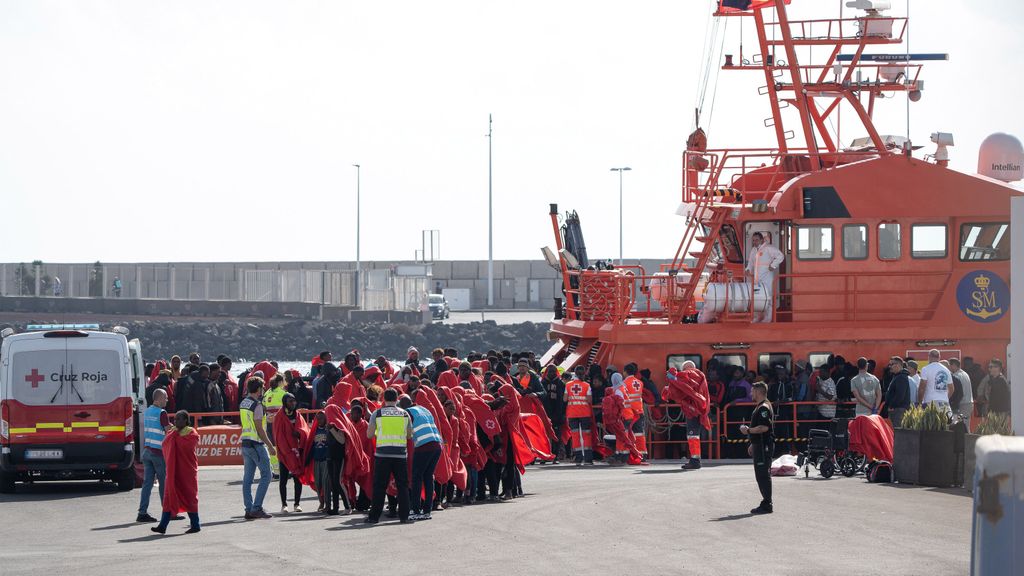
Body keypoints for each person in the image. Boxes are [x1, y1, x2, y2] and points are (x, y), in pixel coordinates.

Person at [365, 387, 414, 524]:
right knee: (403, 486)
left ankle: (374, 517)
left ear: (384, 399)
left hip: (382, 455)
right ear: (397, 398)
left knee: (379, 487)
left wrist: (378, 434)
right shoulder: (405, 414)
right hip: (400, 455)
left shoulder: (377, 413)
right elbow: (410, 435)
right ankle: (404, 516)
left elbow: (369, 434)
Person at [150, 410, 201, 534]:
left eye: (178, 419)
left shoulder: (191, 433)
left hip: (187, 471)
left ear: (185, 421)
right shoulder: (172, 433)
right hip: (173, 471)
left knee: (189, 497)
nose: (175, 421)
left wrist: (175, 436)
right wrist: (174, 435)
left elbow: (187, 447)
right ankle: (162, 526)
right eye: (175, 419)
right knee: (169, 496)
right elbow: (165, 444)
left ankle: (195, 524)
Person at [400, 395, 442, 520]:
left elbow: (405, 433)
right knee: (428, 477)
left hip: (423, 446)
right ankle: (427, 511)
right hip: (436, 445)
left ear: (402, 406)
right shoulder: (424, 409)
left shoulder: (407, 413)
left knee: (416, 478)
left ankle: (415, 510)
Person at [239, 377, 276, 520]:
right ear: (259, 389)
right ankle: (257, 507)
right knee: (267, 475)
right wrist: (270, 445)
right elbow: (260, 429)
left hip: (246, 443)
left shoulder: (244, 402)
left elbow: (250, 421)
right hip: (256, 444)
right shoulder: (257, 405)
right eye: (263, 387)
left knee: (247, 478)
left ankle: (249, 508)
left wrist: (265, 418)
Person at [663, 362, 711, 470]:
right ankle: (695, 459)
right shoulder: (701, 375)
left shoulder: (689, 374)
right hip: (699, 409)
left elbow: (683, 387)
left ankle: (695, 460)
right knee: (695, 434)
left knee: (692, 434)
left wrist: (672, 378)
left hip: (692, 409)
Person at [137, 389, 173, 523]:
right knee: (164, 483)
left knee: (147, 484)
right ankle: (168, 512)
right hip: (158, 452)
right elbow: (167, 430)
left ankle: (142, 512)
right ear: (158, 399)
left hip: (147, 451)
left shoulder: (147, 411)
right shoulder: (162, 413)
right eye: (165, 398)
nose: (167, 400)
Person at [739, 382, 774, 515]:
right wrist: (753, 444)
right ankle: (766, 502)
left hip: (764, 445)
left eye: (752, 391)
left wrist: (748, 430)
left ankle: (767, 503)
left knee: (763, 475)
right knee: (760, 475)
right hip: (759, 444)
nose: (750, 393)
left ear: (758, 392)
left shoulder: (764, 408)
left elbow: (764, 428)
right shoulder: (760, 406)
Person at [272, 393, 310, 513]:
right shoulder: (279, 416)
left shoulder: (298, 415)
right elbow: (278, 436)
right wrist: (287, 452)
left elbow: (305, 430)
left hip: (297, 452)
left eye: (294, 401)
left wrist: (299, 433)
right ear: (284, 403)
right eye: (290, 401)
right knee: (283, 479)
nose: (292, 403)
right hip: (285, 453)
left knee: (297, 478)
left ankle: (297, 504)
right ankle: (284, 504)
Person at [744, 231, 784, 322]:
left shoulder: (769, 248)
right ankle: (758, 317)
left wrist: (773, 265)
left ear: (762, 240)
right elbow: (750, 262)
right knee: (758, 298)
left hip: (767, 279)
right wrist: (748, 269)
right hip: (757, 279)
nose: (754, 242)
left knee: (768, 298)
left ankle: (768, 319)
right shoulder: (754, 250)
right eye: (753, 240)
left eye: (756, 240)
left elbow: (780, 256)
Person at [564, 367, 594, 466]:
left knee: (575, 435)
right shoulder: (587, 385)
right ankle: (588, 459)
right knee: (586, 435)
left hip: (572, 413)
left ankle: (578, 458)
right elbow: (589, 400)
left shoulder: (568, 385)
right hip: (585, 413)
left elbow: (565, 399)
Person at [264, 373, 288, 476]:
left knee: (273, 446)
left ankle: (276, 471)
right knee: (283, 446)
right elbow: (288, 409)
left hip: (269, 423)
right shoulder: (283, 393)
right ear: (280, 382)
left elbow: (264, 407)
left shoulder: (267, 393)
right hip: (280, 423)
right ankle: (286, 469)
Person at [622, 363, 648, 459]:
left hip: (629, 412)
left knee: (627, 434)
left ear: (625, 371)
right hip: (639, 411)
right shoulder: (640, 383)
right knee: (640, 433)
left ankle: (629, 454)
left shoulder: (624, 383)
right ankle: (642, 454)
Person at [884, 357, 912, 427]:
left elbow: (900, 395)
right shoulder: (897, 376)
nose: (889, 367)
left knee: (897, 430)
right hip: (896, 409)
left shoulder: (901, 377)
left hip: (898, 410)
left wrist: (892, 406)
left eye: (891, 364)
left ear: (898, 365)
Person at [948, 358, 974, 424]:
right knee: (966, 425)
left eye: (949, 365)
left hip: (962, 405)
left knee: (961, 427)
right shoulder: (965, 374)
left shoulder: (956, 376)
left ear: (953, 365)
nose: (948, 368)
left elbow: (957, 393)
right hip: (968, 404)